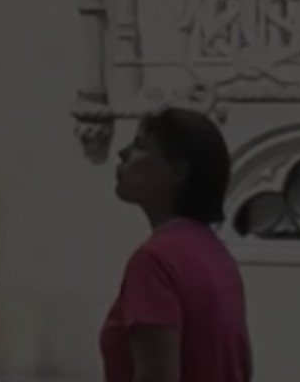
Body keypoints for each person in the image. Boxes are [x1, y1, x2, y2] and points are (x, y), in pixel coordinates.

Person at [101, 107, 252, 382]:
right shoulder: (218, 257)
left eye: (140, 146)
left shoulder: (155, 261)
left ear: (177, 171)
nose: (123, 153)